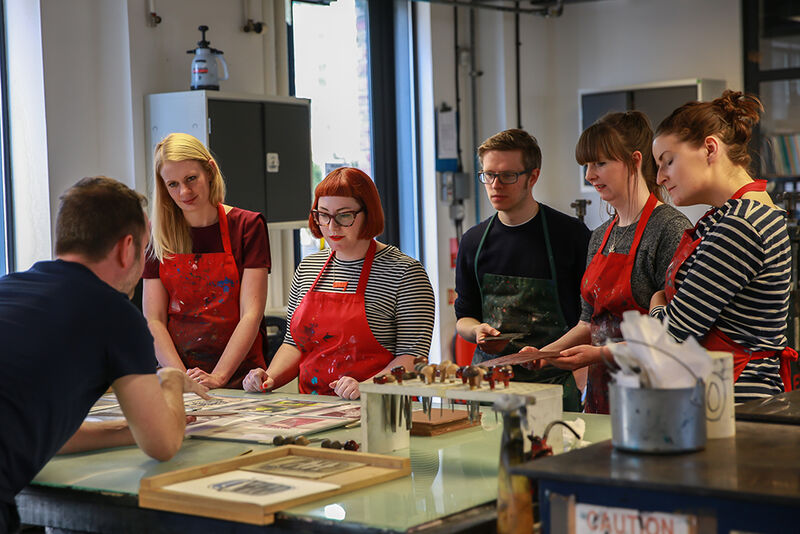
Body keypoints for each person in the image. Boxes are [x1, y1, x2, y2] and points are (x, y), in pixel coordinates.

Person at [0, 177, 208, 534]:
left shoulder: (9, 288)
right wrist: (171, 381)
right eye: (145, 250)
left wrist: (130, 431)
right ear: (127, 248)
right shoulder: (114, 313)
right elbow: (162, 444)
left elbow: (51, 434)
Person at [522, 112, 692, 414]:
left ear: (634, 161)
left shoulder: (669, 228)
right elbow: (588, 323)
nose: (589, 175)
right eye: (587, 165)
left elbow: (674, 334)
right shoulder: (601, 234)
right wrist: (546, 353)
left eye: (600, 163)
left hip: (652, 397)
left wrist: (598, 354)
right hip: (602, 394)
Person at [650, 90, 797, 404]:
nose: (661, 177)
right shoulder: (735, 215)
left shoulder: (740, 225)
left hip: (734, 406)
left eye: (668, 161)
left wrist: (654, 303)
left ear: (709, 148)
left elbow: (670, 335)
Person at [242, 167, 435, 399]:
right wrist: (270, 377)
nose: (332, 227)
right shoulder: (307, 268)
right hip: (314, 410)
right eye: (323, 215)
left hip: (380, 411)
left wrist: (366, 387)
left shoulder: (405, 273)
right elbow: (294, 344)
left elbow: (413, 356)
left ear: (368, 213)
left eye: (344, 215)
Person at [454, 128, 591, 411]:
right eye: (488, 175)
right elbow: (463, 318)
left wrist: (573, 371)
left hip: (552, 386)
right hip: (489, 387)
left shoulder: (571, 236)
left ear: (533, 176)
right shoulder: (473, 242)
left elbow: (591, 318)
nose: (495, 184)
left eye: (507, 176)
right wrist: (477, 330)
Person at [143, 133, 270, 389]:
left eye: (191, 178)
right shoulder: (157, 235)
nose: (185, 191)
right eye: (173, 184)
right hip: (178, 374)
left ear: (209, 171)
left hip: (240, 377)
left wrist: (219, 377)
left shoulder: (247, 226)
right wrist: (183, 378)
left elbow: (251, 314)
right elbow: (153, 319)